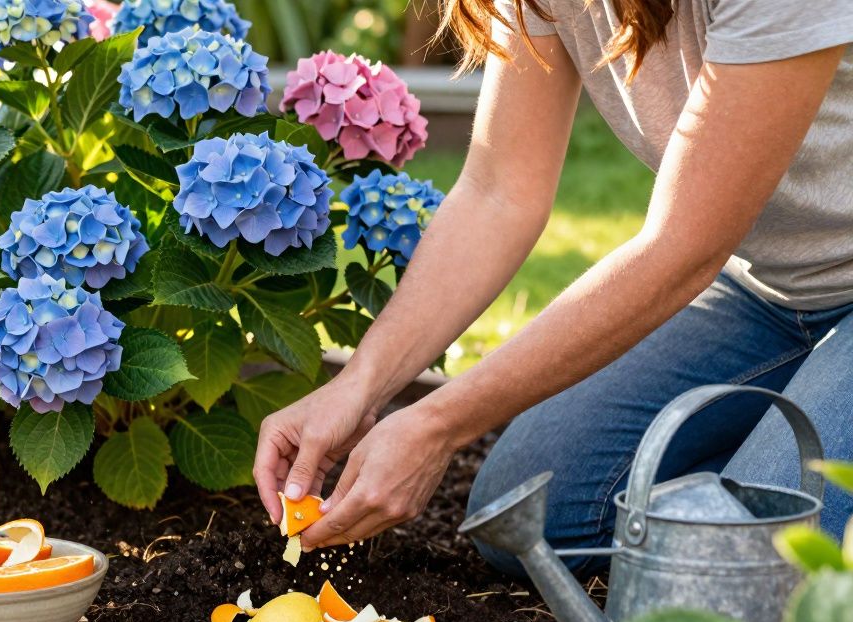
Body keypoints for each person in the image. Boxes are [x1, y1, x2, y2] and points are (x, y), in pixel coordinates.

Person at [254, 0, 853, 577]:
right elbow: (499, 191)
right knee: (531, 511)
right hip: (769, 292)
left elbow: (681, 249)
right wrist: (359, 386)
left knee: (740, 572)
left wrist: (436, 423)